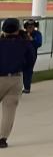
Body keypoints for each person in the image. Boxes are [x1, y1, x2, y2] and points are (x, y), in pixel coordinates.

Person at [0, 18, 35, 147]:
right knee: (9, 110)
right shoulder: (24, 43)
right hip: (15, 79)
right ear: (17, 29)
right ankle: (2, 139)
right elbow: (31, 60)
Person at [22, 19, 42, 93]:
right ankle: (19, 87)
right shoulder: (23, 34)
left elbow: (39, 43)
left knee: (28, 71)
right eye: (28, 26)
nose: (30, 27)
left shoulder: (37, 34)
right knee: (21, 72)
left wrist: (32, 40)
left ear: (34, 26)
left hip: (32, 56)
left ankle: (27, 88)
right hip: (22, 55)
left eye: (32, 26)